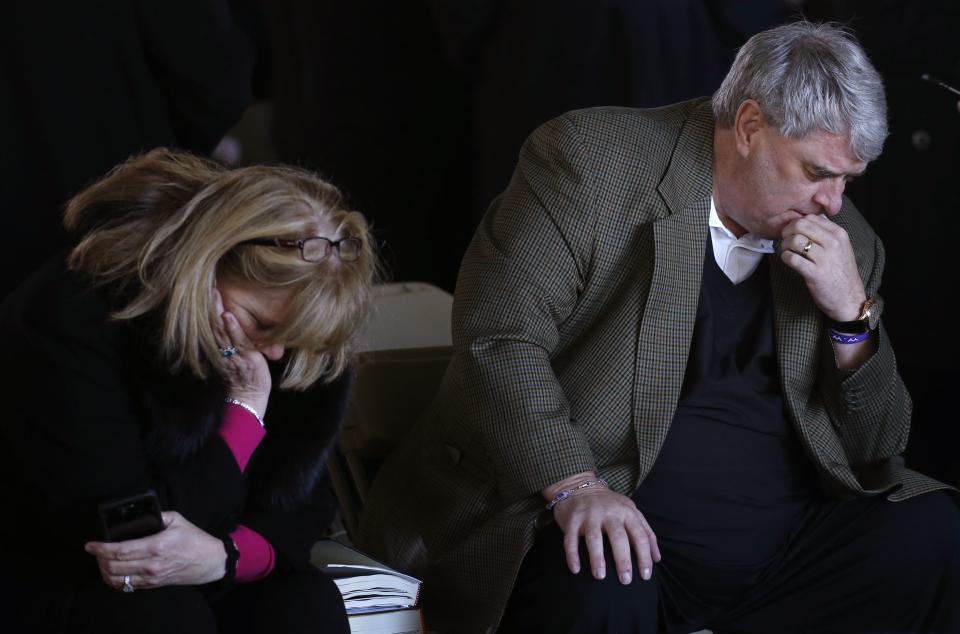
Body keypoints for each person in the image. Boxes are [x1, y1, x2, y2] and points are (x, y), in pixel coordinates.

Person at [358, 21, 960, 633]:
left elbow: (878, 449)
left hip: (784, 548)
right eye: (815, 172)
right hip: (618, 520)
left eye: (848, 180)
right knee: (600, 576)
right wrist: (574, 487)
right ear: (749, 126)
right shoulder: (591, 162)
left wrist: (851, 317)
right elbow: (498, 338)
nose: (832, 202)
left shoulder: (849, 241)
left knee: (932, 535)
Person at [0, 148, 378, 633]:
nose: (278, 354)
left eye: (294, 338)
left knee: (305, 604)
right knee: (166, 620)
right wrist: (243, 414)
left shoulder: (287, 335)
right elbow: (128, 532)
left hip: (208, 560)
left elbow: (301, 510)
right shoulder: (72, 321)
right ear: (205, 264)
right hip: (56, 567)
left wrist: (228, 556)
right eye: (260, 323)